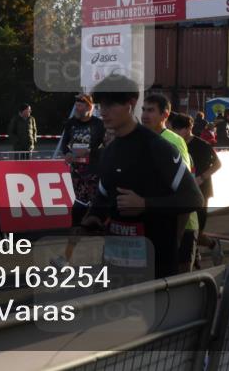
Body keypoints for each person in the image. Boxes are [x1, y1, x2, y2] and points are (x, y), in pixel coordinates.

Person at [82, 75, 204, 280]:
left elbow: (194, 198)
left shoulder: (158, 147)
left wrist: (145, 204)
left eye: (110, 105)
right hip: (115, 266)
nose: (103, 112)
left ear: (130, 104)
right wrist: (93, 217)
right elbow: (103, 196)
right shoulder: (109, 151)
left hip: (155, 268)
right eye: (101, 105)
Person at [139, 95, 200, 274]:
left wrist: (178, 235)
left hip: (182, 225)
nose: (144, 115)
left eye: (150, 110)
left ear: (165, 114)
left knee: (179, 282)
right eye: (143, 109)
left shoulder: (174, 141)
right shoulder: (141, 139)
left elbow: (186, 188)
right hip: (155, 224)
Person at [52, 94, 106, 269]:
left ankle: (110, 257)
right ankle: (66, 258)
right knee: (77, 215)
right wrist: (67, 154)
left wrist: (90, 152)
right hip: (78, 176)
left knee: (105, 216)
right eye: (76, 106)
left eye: (81, 106)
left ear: (90, 107)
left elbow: (105, 144)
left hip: (97, 176)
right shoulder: (70, 124)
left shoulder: (99, 124)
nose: (78, 108)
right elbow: (64, 145)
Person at [170, 112, 223, 265]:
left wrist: (202, 177)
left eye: (179, 129)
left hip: (201, 193)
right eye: (174, 129)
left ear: (188, 129)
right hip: (181, 194)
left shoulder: (203, 145)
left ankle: (212, 244)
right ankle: (193, 257)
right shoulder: (174, 144)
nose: (176, 133)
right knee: (182, 231)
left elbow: (218, 164)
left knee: (197, 233)